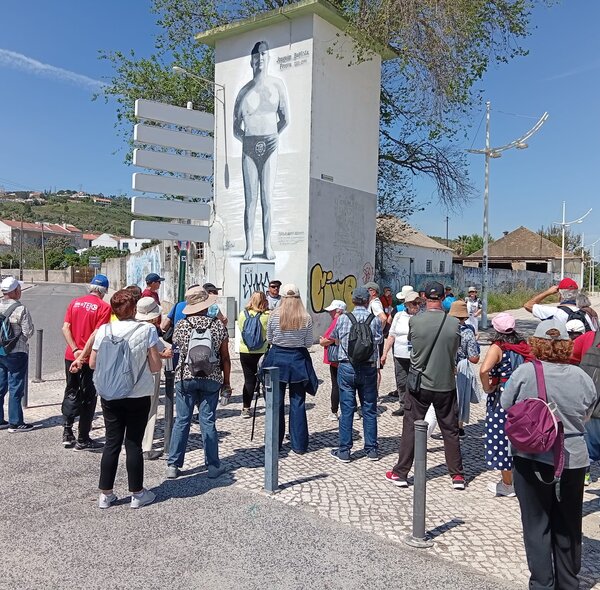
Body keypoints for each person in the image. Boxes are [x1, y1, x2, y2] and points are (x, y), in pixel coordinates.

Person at [502, 319, 597, 590]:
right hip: (572, 458)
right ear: (567, 345)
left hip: (531, 456)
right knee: (568, 522)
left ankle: (542, 583)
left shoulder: (525, 372)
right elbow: (588, 412)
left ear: (537, 343)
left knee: (536, 523)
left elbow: (507, 404)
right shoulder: (581, 376)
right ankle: (568, 582)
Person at [385, 281, 465, 490]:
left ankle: (401, 472)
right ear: (443, 298)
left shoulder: (415, 321)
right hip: (445, 383)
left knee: (411, 426)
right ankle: (457, 475)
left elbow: (413, 345)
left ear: (424, 298)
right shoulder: (453, 323)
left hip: (420, 383)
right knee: (450, 430)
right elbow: (454, 350)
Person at [91, 289, 162, 509]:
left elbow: (92, 363)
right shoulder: (147, 330)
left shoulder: (104, 330)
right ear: (133, 310)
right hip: (137, 394)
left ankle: (105, 495)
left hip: (109, 394)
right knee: (133, 443)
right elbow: (155, 366)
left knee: (111, 442)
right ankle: (137, 493)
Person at [166, 286, 230, 479]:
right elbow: (225, 357)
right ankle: (213, 466)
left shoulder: (182, 325)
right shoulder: (218, 325)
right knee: (208, 421)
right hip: (211, 377)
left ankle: (173, 465)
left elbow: (178, 346)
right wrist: (226, 382)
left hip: (186, 376)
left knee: (182, 420)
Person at [233, 40, 289, 261]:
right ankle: (249, 246)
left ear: (269, 58)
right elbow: (236, 127)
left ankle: (267, 245)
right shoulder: (243, 91)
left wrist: (271, 135)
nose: (260, 59)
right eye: (256, 56)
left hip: (270, 143)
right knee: (250, 201)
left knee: (267, 199)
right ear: (251, 61)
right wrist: (248, 140)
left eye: (264, 55)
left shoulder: (277, 85)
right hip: (249, 146)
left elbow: (284, 119)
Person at [479, 312, 533, 497]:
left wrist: (487, 388)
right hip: (522, 395)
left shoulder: (498, 347)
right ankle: (522, 479)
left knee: (501, 437)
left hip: (502, 395)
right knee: (520, 437)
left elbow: (484, 370)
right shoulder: (523, 345)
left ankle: (508, 484)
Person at [327, 286, 381, 462]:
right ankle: (371, 449)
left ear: (353, 301)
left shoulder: (343, 318)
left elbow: (334, 336)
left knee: (347, 409)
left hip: (347, 366)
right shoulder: (374, 320)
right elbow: (378, 339)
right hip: (368, 367)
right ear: (367, 301)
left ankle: (344, 450)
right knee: (369, 408)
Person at [263, 283, 317, 454]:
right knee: (298, 402)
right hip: (297, 359)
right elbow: (308, 343)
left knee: (275, 403)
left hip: (277, 358)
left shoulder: (274, 315)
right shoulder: (305, 317)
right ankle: (299, 444)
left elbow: (269, 338)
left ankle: (275, 442)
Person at [61, 274, 111, 450]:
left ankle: (67, 432)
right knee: (88, 397)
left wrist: (75, 350)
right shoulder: (104, 307)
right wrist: (82, 356)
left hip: (70, 355)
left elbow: (65, 328)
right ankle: (83, 438)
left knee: (71, 391)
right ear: (104, 291)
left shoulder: (75, 302)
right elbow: (96, 334)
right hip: (89, 358)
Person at [426, 300, 480, 438]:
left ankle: (428, 432)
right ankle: (458, 427)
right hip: (460, 370)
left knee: (438, 402)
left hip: (442, 368)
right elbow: (474, 358)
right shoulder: (468, 332)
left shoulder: (441, 329)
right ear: (465, 317)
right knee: (460, 399)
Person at [135, 297, 173, 461]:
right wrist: (164, 354)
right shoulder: (150, 329)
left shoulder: (131, 325)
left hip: (132, 373)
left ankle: (132, 442)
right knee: (150, 410)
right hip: (149, 373)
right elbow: (155, 351)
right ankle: (146, 447)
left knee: (134, 409)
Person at [0, 277, 34, 432]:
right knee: (16, 387)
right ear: (14, 291)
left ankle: (0, 420)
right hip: (16, 352)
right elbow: (28, 332)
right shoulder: (21, 309)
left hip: (0, 352)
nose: (20, 291)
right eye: (18, 289)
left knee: (1, 386)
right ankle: (16, 422)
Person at [381, 291, 422, 417]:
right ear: (407, 304)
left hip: (417, 355)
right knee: (401, 381)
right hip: (400, 354)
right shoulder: (399, 316)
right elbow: (391, 335)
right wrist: (384, 353)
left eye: (418, 303)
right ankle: (403, 405)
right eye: (414, 303)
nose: (417, 305)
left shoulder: (422, 317)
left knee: (416, 381)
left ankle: (416, 405)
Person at [237, 291, 269, 419]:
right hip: (262, 351)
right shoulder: (267, 315)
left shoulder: (242, 314)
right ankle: (270, 406)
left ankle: (246, 408)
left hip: (245, 351)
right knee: (266, 381)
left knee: (249, 380)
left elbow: (242, 330)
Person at [524, 278, 596, 331]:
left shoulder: (555, 312)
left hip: (564, 347)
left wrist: (548, 292)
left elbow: (528, 305)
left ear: (560, 294)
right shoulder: (585, 313)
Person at [318, 299, 347, 421]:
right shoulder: (347, 320)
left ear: (339, 311)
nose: (330, 313)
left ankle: (334, 411)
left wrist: (322, 341)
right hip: (346, 357)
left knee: (336, 385)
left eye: (332, 310)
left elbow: (328, 339)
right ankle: (353, 410)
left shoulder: (337, 321)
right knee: (348, 385)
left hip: (335, 358)